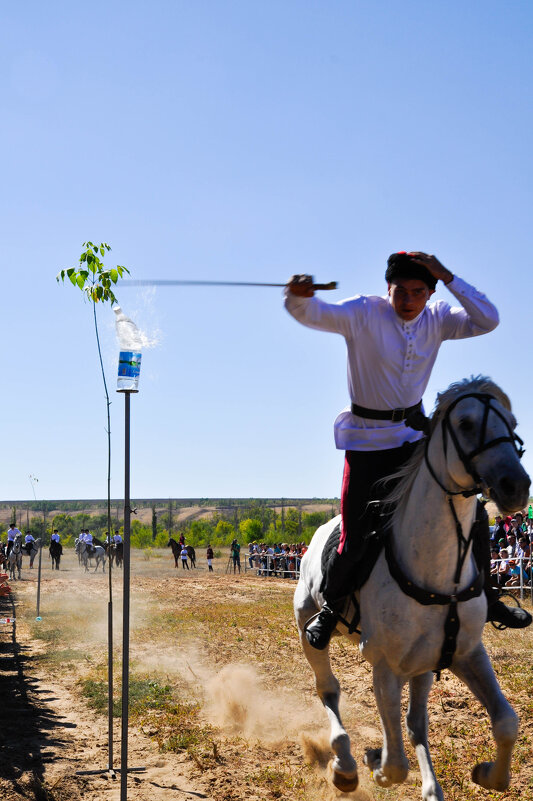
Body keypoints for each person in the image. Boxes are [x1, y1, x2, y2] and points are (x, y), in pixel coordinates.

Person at [285, 251, 531, 649]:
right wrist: (298, 298)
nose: (408, 300)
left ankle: (487, 596)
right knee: (354, 535)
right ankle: (331, 608)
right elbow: (314, 314)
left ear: (430, 292)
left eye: (419, 291)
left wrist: (448, 275)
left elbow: (488, 318)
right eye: (400, 291)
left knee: (472, 512)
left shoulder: (440, 317)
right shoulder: (363, 312)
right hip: (366, 443)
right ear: (389, 288)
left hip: (415, 440)